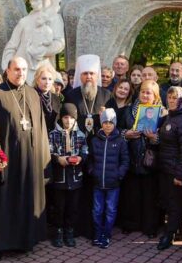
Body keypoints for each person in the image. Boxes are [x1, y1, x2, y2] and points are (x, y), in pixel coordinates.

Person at [0, 57, 50, 258]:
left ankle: (24, 241)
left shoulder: (33, 95)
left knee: (26, 200)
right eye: (17, 69)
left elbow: (41, 129)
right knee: (3, 201)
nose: (20, 73)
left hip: (30, 160)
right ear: (8, 71)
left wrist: (43, 160)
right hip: (8, 160)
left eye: (24, 69)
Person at [118, 80, 162, 237]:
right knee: (131, 196)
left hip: (150, 162)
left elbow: (165, 139)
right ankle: (130, 224)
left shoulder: (161, 113)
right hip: (131, 159)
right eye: (143, 91)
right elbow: (119, 130)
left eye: (148, 92)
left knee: (149, 197)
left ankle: (149, 227)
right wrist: (126, 134)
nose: (144, 94)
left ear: (155, 95)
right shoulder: (128, 110)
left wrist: (154, 138)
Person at [156, 87, 182, 251]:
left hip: (175, 170)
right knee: (168, 200)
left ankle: (170, 234)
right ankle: (172, 228)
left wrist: (180, 174)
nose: (171, 100)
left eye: (175, 98)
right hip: (165, 167)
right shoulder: (170, 116)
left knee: (175, 203)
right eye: (169, 97)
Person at [1, 0, 66, 83]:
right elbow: (12, 45)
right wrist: (8, 66)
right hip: (20, 69)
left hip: (42, 69)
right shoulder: (24, 21)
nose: (32, 4)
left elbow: (59, 43)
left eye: (35, 0)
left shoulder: (55, 18)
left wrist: (42, 51)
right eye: (31, 1)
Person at [87, 109, 129, 249]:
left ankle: (106, 234)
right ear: (101, 123)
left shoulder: (121, 141)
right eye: (105, 122)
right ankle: (97, 233)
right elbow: (90, 159)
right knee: (97, 210)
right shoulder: (94, 140)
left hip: (113, 183)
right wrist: (92, 171)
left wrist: (119, 174)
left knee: (110, 210)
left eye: (111, 122)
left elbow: (125, 161)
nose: (108, 125)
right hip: (98, 183)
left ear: (114, 123)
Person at [47, 104, 88, 248]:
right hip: (59, 178)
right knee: (59, 207)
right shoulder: (53, 134)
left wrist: (80, 159)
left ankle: (69, 232)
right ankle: (58, 232)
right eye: (65, 117)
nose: (68, 121)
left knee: (72, 207)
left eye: (71, 118)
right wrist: (58, 159)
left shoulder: (81, 134)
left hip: (76, 178)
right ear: (61, 118)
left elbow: (85, 151)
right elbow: (49, 152)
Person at [64, 55, 113, 137]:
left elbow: (112, 120)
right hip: (77, 138)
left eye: (92, 73)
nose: (88, 76)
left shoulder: (107, 94)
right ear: (80, 76)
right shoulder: (71, 95)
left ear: (97, 76)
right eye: (85, 73)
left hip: (100, 138)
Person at [33, 63, 61, 132]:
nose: (47, 82)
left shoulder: (55, 98)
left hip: (52, 137)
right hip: (37, 135)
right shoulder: (32, 96)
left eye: (50, 79)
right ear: (37, 80)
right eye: (44, 79)